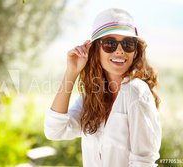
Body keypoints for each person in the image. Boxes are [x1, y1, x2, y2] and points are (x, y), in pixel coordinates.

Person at [44, 8, 161, 167]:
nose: (120, 50)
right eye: (110, 44)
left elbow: (143, 162)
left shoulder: (136, 91)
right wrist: (71, 72)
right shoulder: (93, 96)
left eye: (128, 44)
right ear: (95, 49)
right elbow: (55, 130)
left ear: (135, 51)